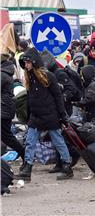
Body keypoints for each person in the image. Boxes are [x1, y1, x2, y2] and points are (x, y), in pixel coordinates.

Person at [16, 48, 73, 181]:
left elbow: (57, 96)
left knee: (58, 141)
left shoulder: (48, 76)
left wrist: (62, 115)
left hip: (50, 115)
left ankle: (67, 165)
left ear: (34, 62)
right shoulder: (29, 77)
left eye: (28, 62)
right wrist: (29, 115)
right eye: (25, 63)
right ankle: (27, 168)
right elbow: (30, 99)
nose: (26, 65)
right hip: (36, 116)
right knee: (30, 142)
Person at [1, 53, 25, 163]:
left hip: (3, 110)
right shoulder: (6, 73)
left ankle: (23, 153)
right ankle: (23, 153)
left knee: (7, 137)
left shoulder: (2, 75)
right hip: (5, 109)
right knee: (7, 136)